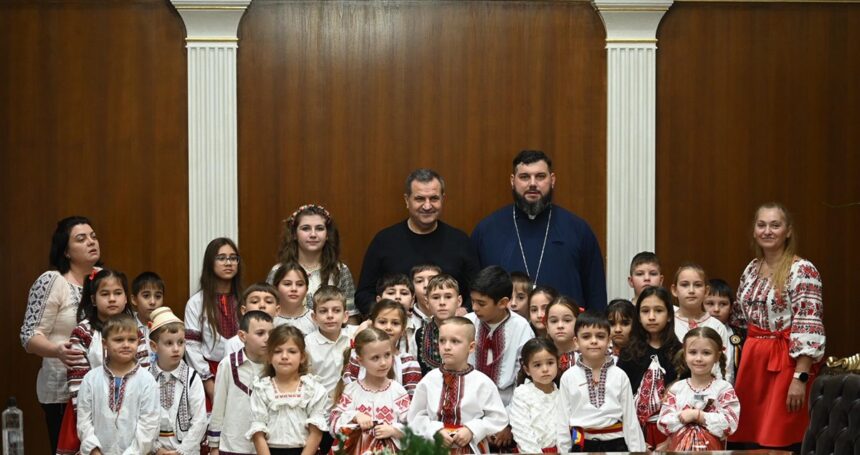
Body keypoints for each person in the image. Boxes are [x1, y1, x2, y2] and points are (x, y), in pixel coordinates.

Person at [729, 203, 825, 450]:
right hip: (752, 362)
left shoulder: (802, 270)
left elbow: (809, 326)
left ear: (788, 231)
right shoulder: (751, 269)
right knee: (748, 440)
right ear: (754, 231)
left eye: (775, 225)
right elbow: (739, 319)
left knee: (780, 439)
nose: (767, 231)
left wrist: (800, 378)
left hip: (786, 365)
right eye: (762, 225)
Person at [471, 150, 607, 311]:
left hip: (565, 331)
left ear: (553, 180)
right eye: (525, 177)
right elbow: (475, 295)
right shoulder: (487, 231)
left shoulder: (578, 230)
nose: (533, 184)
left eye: (540, 176)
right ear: (512, 181)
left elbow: (596, 294)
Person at [20, 216, 100, 453]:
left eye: (93, 236)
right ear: (66, 251)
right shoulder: (52, 281)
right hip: (61, 392)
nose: (91, 242)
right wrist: (56, 350)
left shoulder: (104, 279)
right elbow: (29, 336)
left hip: (101, 389)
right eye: (81, 238)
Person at [355, 168, 481, 314]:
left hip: (450, 329)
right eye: (419, 199)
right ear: (407, 200)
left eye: (434, 198)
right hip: (397, 330)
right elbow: (363, 294)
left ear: (443, 199)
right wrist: (387, 315)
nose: (427, 206)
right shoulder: (384, 241)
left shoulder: (460, 241)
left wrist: (464, 311)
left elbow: (479, 292)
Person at [407, 317, 509, 454]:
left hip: (471, 447)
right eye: (442, 340)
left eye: (455, 341)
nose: (447, 347)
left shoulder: (482, 382)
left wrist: (472, 429)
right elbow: (415, 417)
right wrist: (435, 430)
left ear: (471, 347)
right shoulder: (429, 380)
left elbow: (498, 417)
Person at [557, 311, 646, 452]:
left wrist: (637, 452)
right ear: (576, 342)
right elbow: (563, 421)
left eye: (600, 336)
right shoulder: (568, 377)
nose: (593, 341)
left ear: (609, 341)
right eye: (586, 336)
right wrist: (564, 451)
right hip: (581, 444)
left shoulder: (620, 375)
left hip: (616, 443)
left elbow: (630, 420)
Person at [75, 314, 159, 455]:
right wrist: (93, 450)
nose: (126, 345)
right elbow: (84, 420)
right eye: (119, 340)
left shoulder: (147, 381)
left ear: (138, 342)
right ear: (105, 343)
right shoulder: (90, 379)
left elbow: (149, 425)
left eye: (131, 340)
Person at [616, 286, 682, 449]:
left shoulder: (679, 352)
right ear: (638, 317)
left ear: (669, 316)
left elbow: (686, 400)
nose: (651, 317)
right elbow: (618, 397)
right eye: (645, 311)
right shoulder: (628, 352)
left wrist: (669, 441)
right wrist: (634, 438)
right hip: (634, 429)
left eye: (658, 310)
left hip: (669, 432)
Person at [268, 204, 358, 322]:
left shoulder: (340, 270)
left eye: (319, 228)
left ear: (327, 235)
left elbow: (350, 316)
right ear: (294, 234)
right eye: (306, 228)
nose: (313, 234)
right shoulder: (278, 271)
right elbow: (267, 314)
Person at [248, 325, 328, 455]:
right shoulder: (262, 389)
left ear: (302, 357)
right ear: (269, 357)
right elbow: (258, 434)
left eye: (292, 351)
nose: (284, 356)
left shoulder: (312, 389)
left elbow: (316, 433)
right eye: (278, 351)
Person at [330, 328, 411, 454]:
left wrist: (394, 430)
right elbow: (334, 423)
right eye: (375, 358)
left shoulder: (398, 391)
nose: (383, 362)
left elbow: (413, 429)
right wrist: (354, 416)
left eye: (387, 355)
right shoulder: (351, 391)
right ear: (360, 360)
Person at [658, 327, 740, 451]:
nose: (699, 359)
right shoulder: (677, 389)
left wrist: (698, 416)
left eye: (706, 353)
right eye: (693, 352)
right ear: (685, 354)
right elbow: (663, 423)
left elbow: (730, 423)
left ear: (717, 356)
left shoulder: (723, 389)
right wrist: (682, 415)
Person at [184, 237, 243, 403]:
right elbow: (191, 347)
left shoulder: (246, 301)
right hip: (209, 375)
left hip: (243, 371)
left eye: (233, 258)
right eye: (221, 258)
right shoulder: (197, 303)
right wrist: (209, 385)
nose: (228, 262)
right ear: (210, 262)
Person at [208, 310, 273, 455]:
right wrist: (214, 447)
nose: (267, 338)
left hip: (268, 447)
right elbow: (218, 407)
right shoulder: (228, 365)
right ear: (242, 336)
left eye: (271, 333)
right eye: (260, 333)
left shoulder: (276, 365)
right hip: (233, 446)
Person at [147, 307, 208, 455]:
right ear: (154, 346)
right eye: (169, 343)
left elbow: (199, 421)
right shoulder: (146, 379)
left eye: (180, 342)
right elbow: (140, 419)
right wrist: (157, 449)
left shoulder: (192, 378)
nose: (176, 349)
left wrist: (181, 451)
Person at [343, 300, 422, 395]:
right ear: (372, 325)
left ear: (403, 330)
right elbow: (347, 393)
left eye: (395, 323)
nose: (388, 327)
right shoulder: (358, 357)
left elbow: (411, 401)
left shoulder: (409, 363)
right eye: (382, 322)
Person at [670, 263, 730, 380]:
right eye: (685, 285)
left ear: (706, 291)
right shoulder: (668, 324)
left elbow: (725, 369)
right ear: (674, 290)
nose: (691, 290)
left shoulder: (717, 326)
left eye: (697, 285)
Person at [508, 337, 564, 453]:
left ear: (558, 363)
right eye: (537, 365)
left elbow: (565, 431)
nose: (545, 369)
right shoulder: (522, 394)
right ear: (527, 370)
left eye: (550, 363)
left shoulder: (562, 393)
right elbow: (522, 431)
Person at [415, 274, 462, 375]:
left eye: (448, 297)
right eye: (436, 297)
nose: (442, 302)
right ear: (427, 303)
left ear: (458, 301)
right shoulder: (419, 334)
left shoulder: (469, 331)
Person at [223, 282, 281, 355]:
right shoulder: (233, 344)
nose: (262, 305)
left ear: (277, 310)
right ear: (244, 310)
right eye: (255, 302)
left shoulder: (284, 339)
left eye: (268, 302)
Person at [705, 279, 744, 384]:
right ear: (701, 305)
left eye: (723, 304)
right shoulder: (695, 332)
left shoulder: (740, 336)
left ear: (731, 307)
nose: (716, 309)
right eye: (710, 303)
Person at [272, 263, 315, 334]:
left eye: (300, 284)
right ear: (276, 288)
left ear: (306, 289)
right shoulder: (268, 320)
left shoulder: (316, 319)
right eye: (287, 284)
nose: (294, 289)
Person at [545, 296, 580, 374]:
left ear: (578, 323)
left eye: (567, 320)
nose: (560, 326)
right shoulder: (541, 355)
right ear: (547, 326)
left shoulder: (587, 355)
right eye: (554, 321)